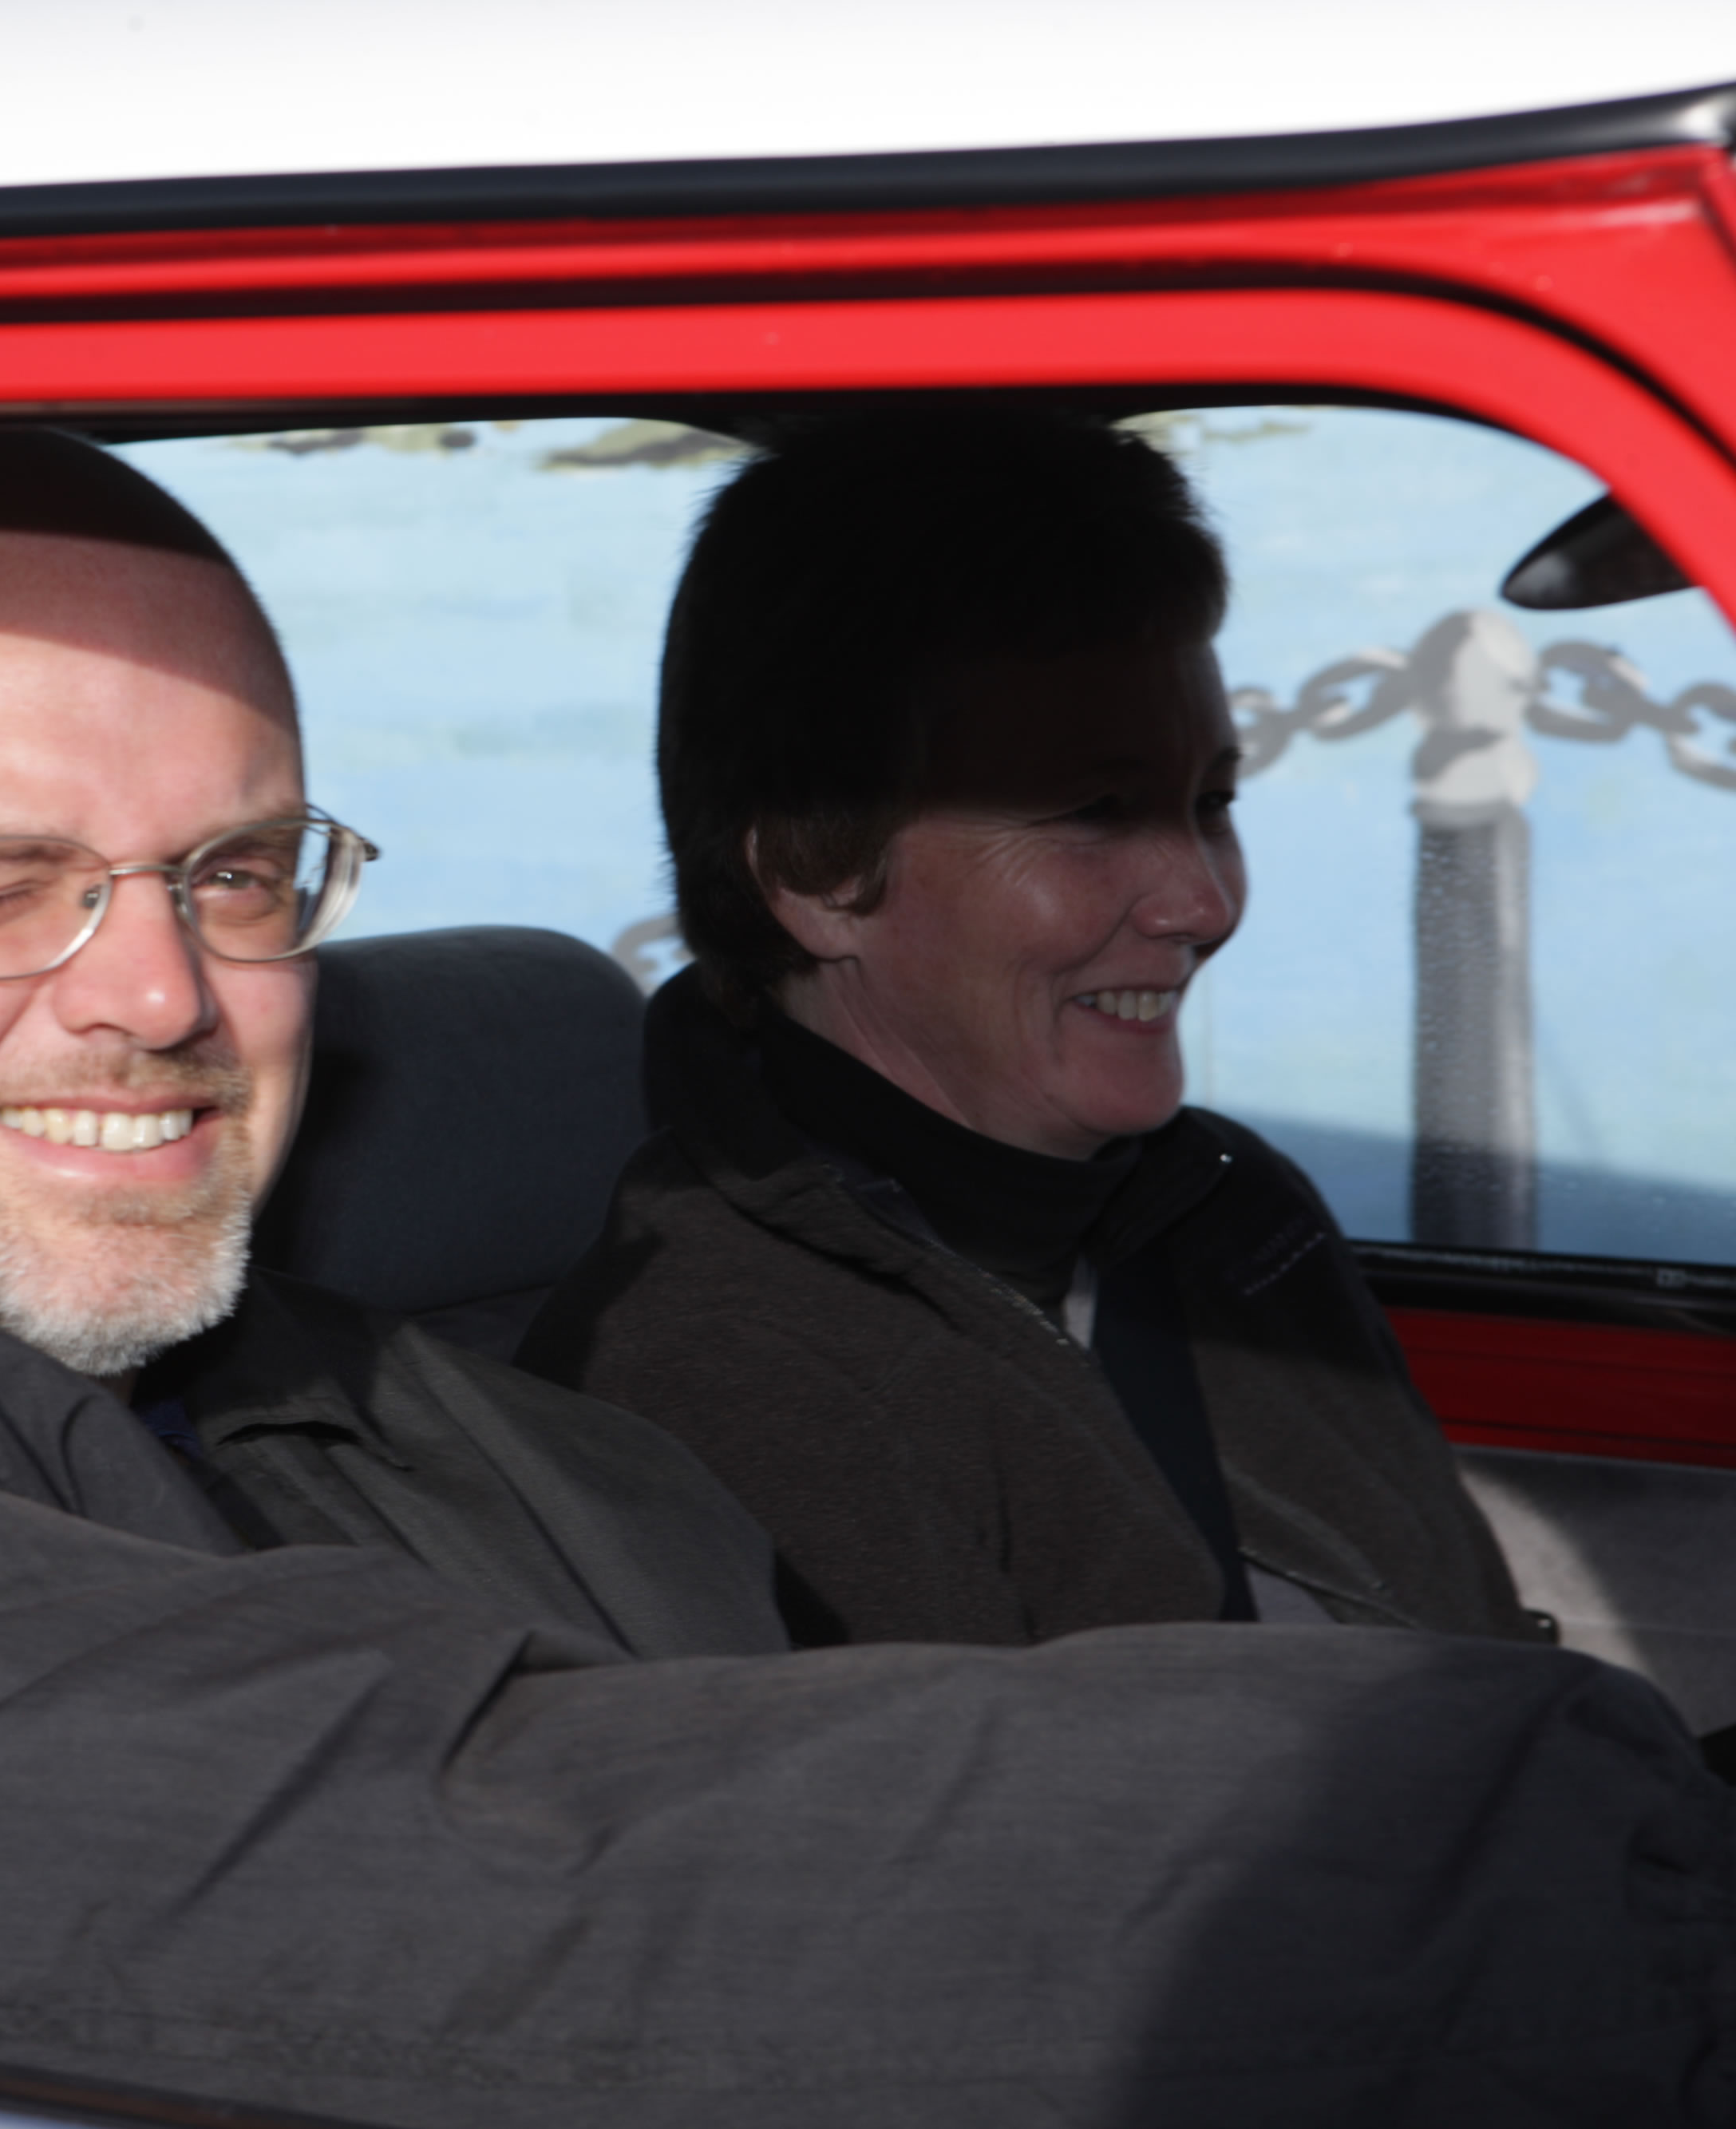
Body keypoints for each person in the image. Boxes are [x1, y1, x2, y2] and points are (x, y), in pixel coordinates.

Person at [0, 426, 1730, 2125]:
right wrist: (1618, 1861)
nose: (157, 992)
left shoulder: (323, 1370)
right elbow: (588, 1883)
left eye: (237, 875)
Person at [520, 407, 1530, 1651]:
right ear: (817, 870)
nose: (1204, 904)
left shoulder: (1234, 1213)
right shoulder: (721, 1375)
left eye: (1211, 803)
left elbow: (1482, 1655)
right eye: (1094, 812)